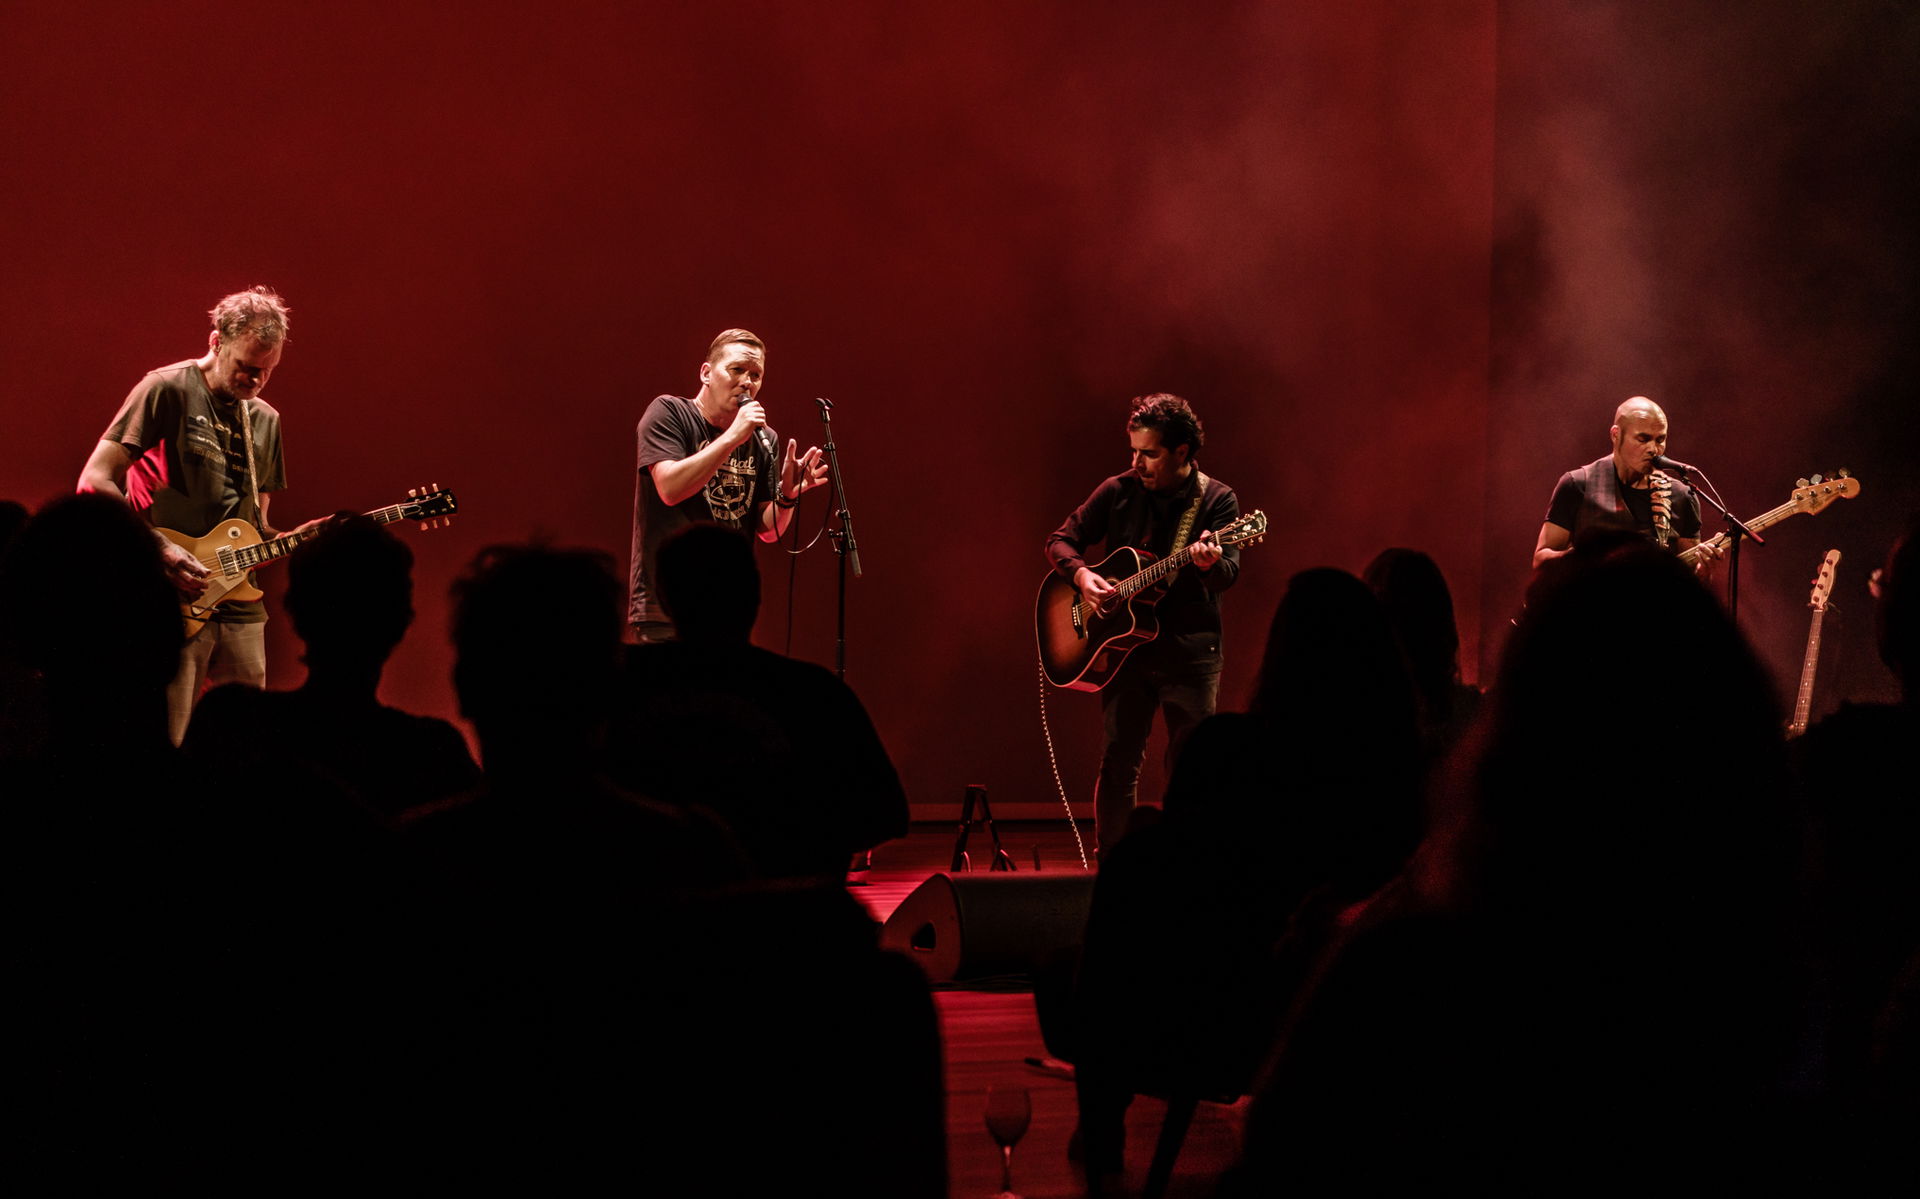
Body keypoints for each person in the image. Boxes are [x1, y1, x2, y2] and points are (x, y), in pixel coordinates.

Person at [76, 286, 320, 743]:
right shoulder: (165, 388)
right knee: (165, 739)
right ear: (215, 342)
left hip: (241, 609)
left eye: (265, 373)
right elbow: (95, 480)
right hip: (166, 598)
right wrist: (160, 549)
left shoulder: (266, 420)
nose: (253, 382)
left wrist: (300, 539)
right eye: (244, 368)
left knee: (248, 746)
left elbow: (257, 529)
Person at [610, 523, 909, 883]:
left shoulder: (621, 684)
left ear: (663, 595)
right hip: (786, 918)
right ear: (754, 593)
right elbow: (884, 813)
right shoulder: (813, 695)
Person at [1045, 393, 1240, 853]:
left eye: (1149, 454)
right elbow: (1060, 541)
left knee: (1191, 767)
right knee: (1119, 762)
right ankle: (1114, 864)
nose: (1137, 463)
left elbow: (1228, 574)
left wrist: (1209, 564)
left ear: (1182, 453)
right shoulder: (1118, 490)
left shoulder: (1217, 500)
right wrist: (1082, 575)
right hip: (1126, 651)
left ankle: (1190, 864)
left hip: (1190, 652)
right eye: (1133, 451)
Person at [627, 328, 831, 643]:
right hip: (667, 606)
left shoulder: (765, 439)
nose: (747, 382)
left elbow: (768, 530)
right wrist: (734, 436)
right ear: (706, 373)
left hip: (727, 607)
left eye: (756, 374)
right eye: (736, 369)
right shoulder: (670, 413)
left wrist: (787, 497)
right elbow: (669, 488)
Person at [1533, 395, 1717, 570]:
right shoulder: (1577, 484)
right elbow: (1541, 561)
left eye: (1660, 439)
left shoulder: (1682, 496)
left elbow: (1689, 587)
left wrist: (1703, 572)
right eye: (1643, 439)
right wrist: (1585, 558)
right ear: (1615, 435)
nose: (1654, 449)